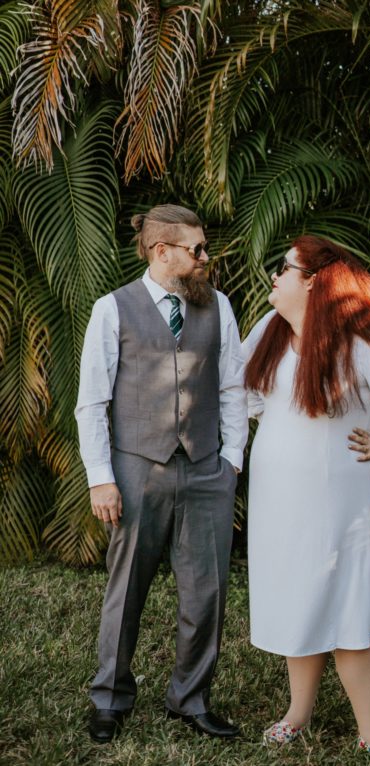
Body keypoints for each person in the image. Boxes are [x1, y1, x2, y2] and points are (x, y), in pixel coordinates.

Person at [241, 235, 370, 764]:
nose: (274, 276)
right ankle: (297, 714)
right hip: (280, 501)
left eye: (282, 268)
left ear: (313, 281)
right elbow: (241, 392)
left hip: (341, 504)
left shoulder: (358, 340)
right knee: (298, 599)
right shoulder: (268, 331)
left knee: (349, 609)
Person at [76, 204, 247, 743]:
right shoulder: (112, 309)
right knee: (126, 589)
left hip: (204, 469)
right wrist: (101, 477)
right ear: (161, 251)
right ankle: (109, 698)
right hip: (135, 468)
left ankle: (190, 699)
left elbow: (232, 389)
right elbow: (91, 402)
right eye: (195, 250)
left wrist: (232, 460)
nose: (204, 258)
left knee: (206, 593)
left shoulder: (218, 306)